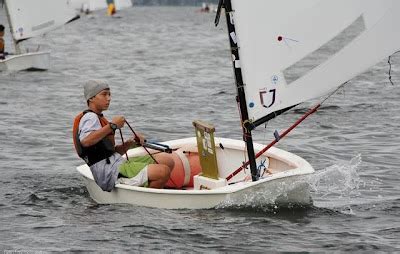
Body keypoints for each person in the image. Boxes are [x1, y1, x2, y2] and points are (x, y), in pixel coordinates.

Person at [73, 80, 174, 192]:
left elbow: (109, 153)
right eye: (104, 94)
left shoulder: (99, 118)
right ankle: (147, 198)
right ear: (91, 98)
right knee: (162, 171)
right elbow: (85, 141)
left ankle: (148, 186)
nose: (109, 98)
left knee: (167, 160)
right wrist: (112, 126)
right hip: (108, 172)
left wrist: (130, 143)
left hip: (115, 162)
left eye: (109, 94)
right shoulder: (90, 117)